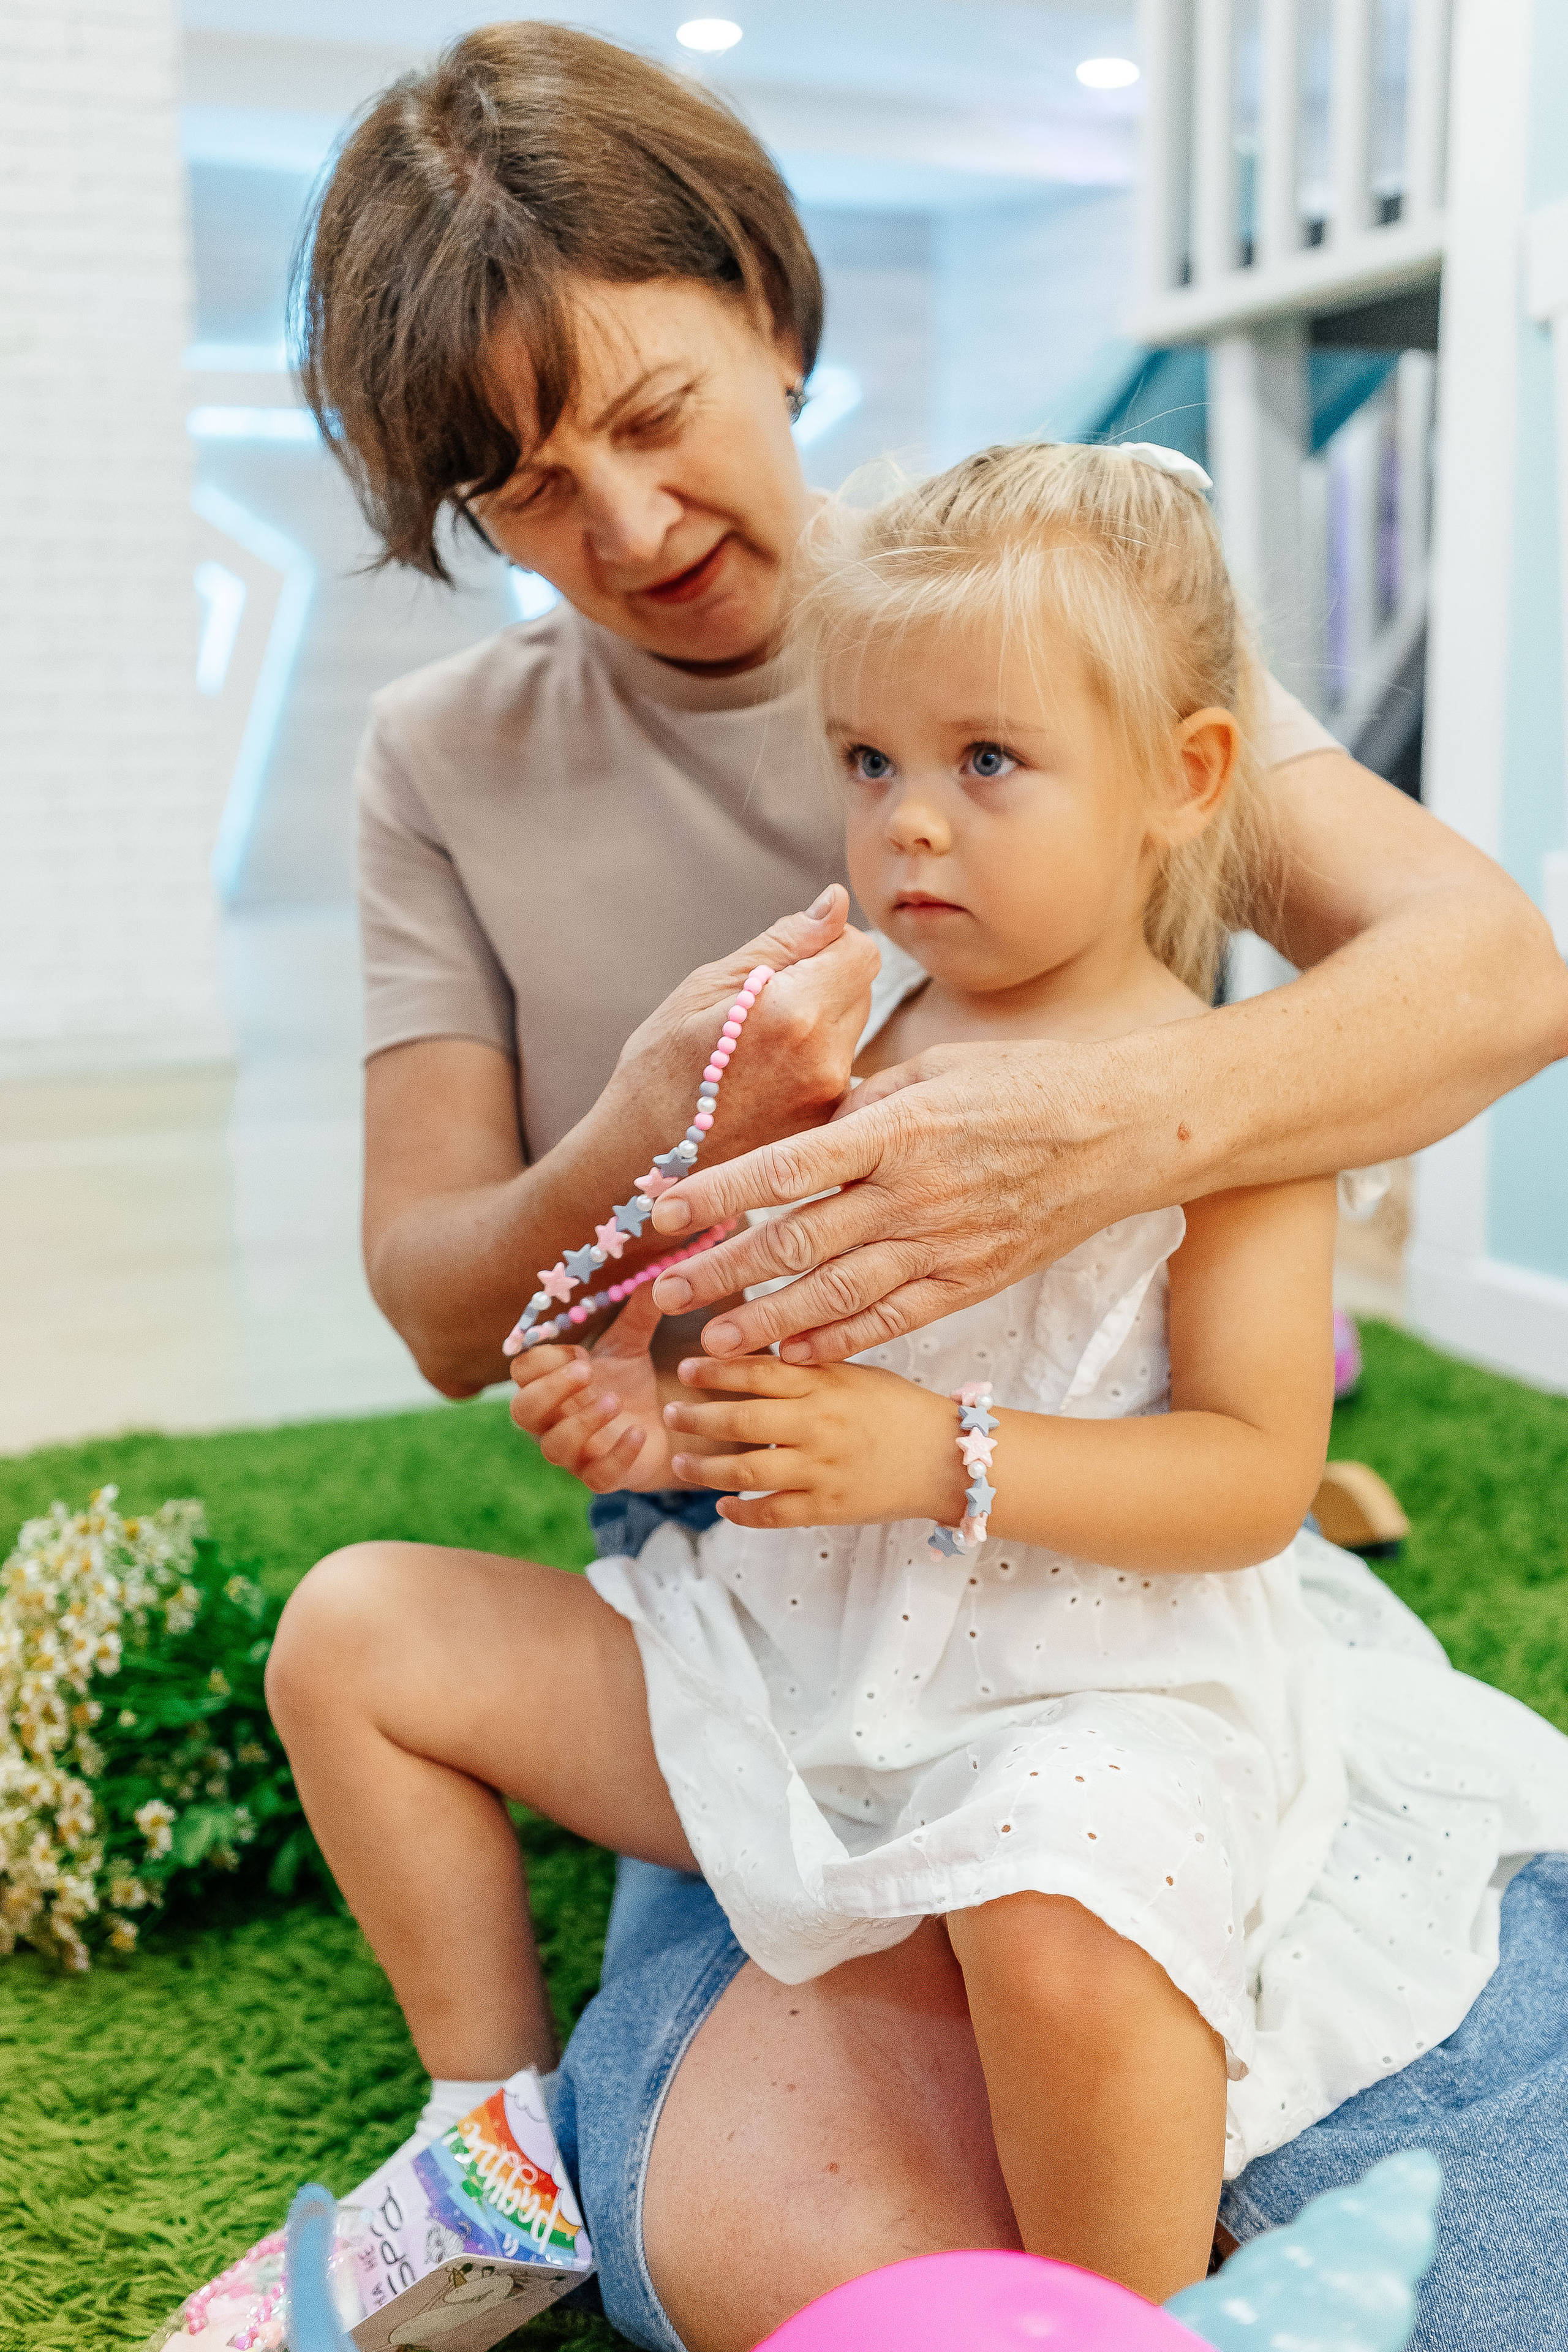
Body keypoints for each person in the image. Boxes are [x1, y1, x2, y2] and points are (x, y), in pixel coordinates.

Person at [246, 21, 1568, 2352]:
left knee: (1232, 2046)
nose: (630, 530)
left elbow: (1490, 971)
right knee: (756, 2233)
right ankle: (505, 2157)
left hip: (1063, 1559)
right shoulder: (445, 764)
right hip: (769, 1565)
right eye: (529, 491)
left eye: (655, 418)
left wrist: (1115, 1147)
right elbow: (451, 1304)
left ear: (770, 303)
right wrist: (648, 1171)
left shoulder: (1035, 616)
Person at [503, 438, 1568, 2304]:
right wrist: (653, 1388)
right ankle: (483, 2123)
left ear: (1186, 779)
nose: (910, 823)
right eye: (870, 765)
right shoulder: (844, 1039)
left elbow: (1247, 1480)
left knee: (1058, 1898)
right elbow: (745, 1330)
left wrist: (935, 1451)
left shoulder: (1231, 1109)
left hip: (1100, 1666)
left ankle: (1111, 2316)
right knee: (357, 1633)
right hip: (816, 1639)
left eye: (984, 763)